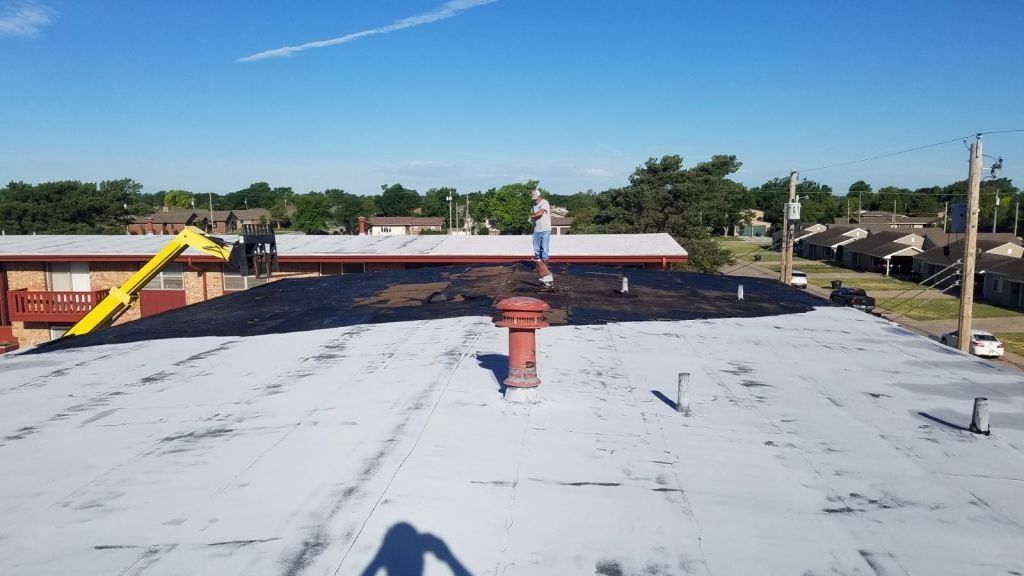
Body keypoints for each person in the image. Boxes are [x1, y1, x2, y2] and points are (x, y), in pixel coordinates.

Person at [529, 189, 554, 286]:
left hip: (545, 230)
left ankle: (546, 272)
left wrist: (531, 217)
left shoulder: (545, 203)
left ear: (539, 196)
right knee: (537, 252)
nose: (535, 200)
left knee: (544, 251)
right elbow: (534, 217)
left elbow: (540, 213)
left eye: (536, 198)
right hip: (536, 230)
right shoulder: (533, 206)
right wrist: (532, 218)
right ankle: (541, 272)